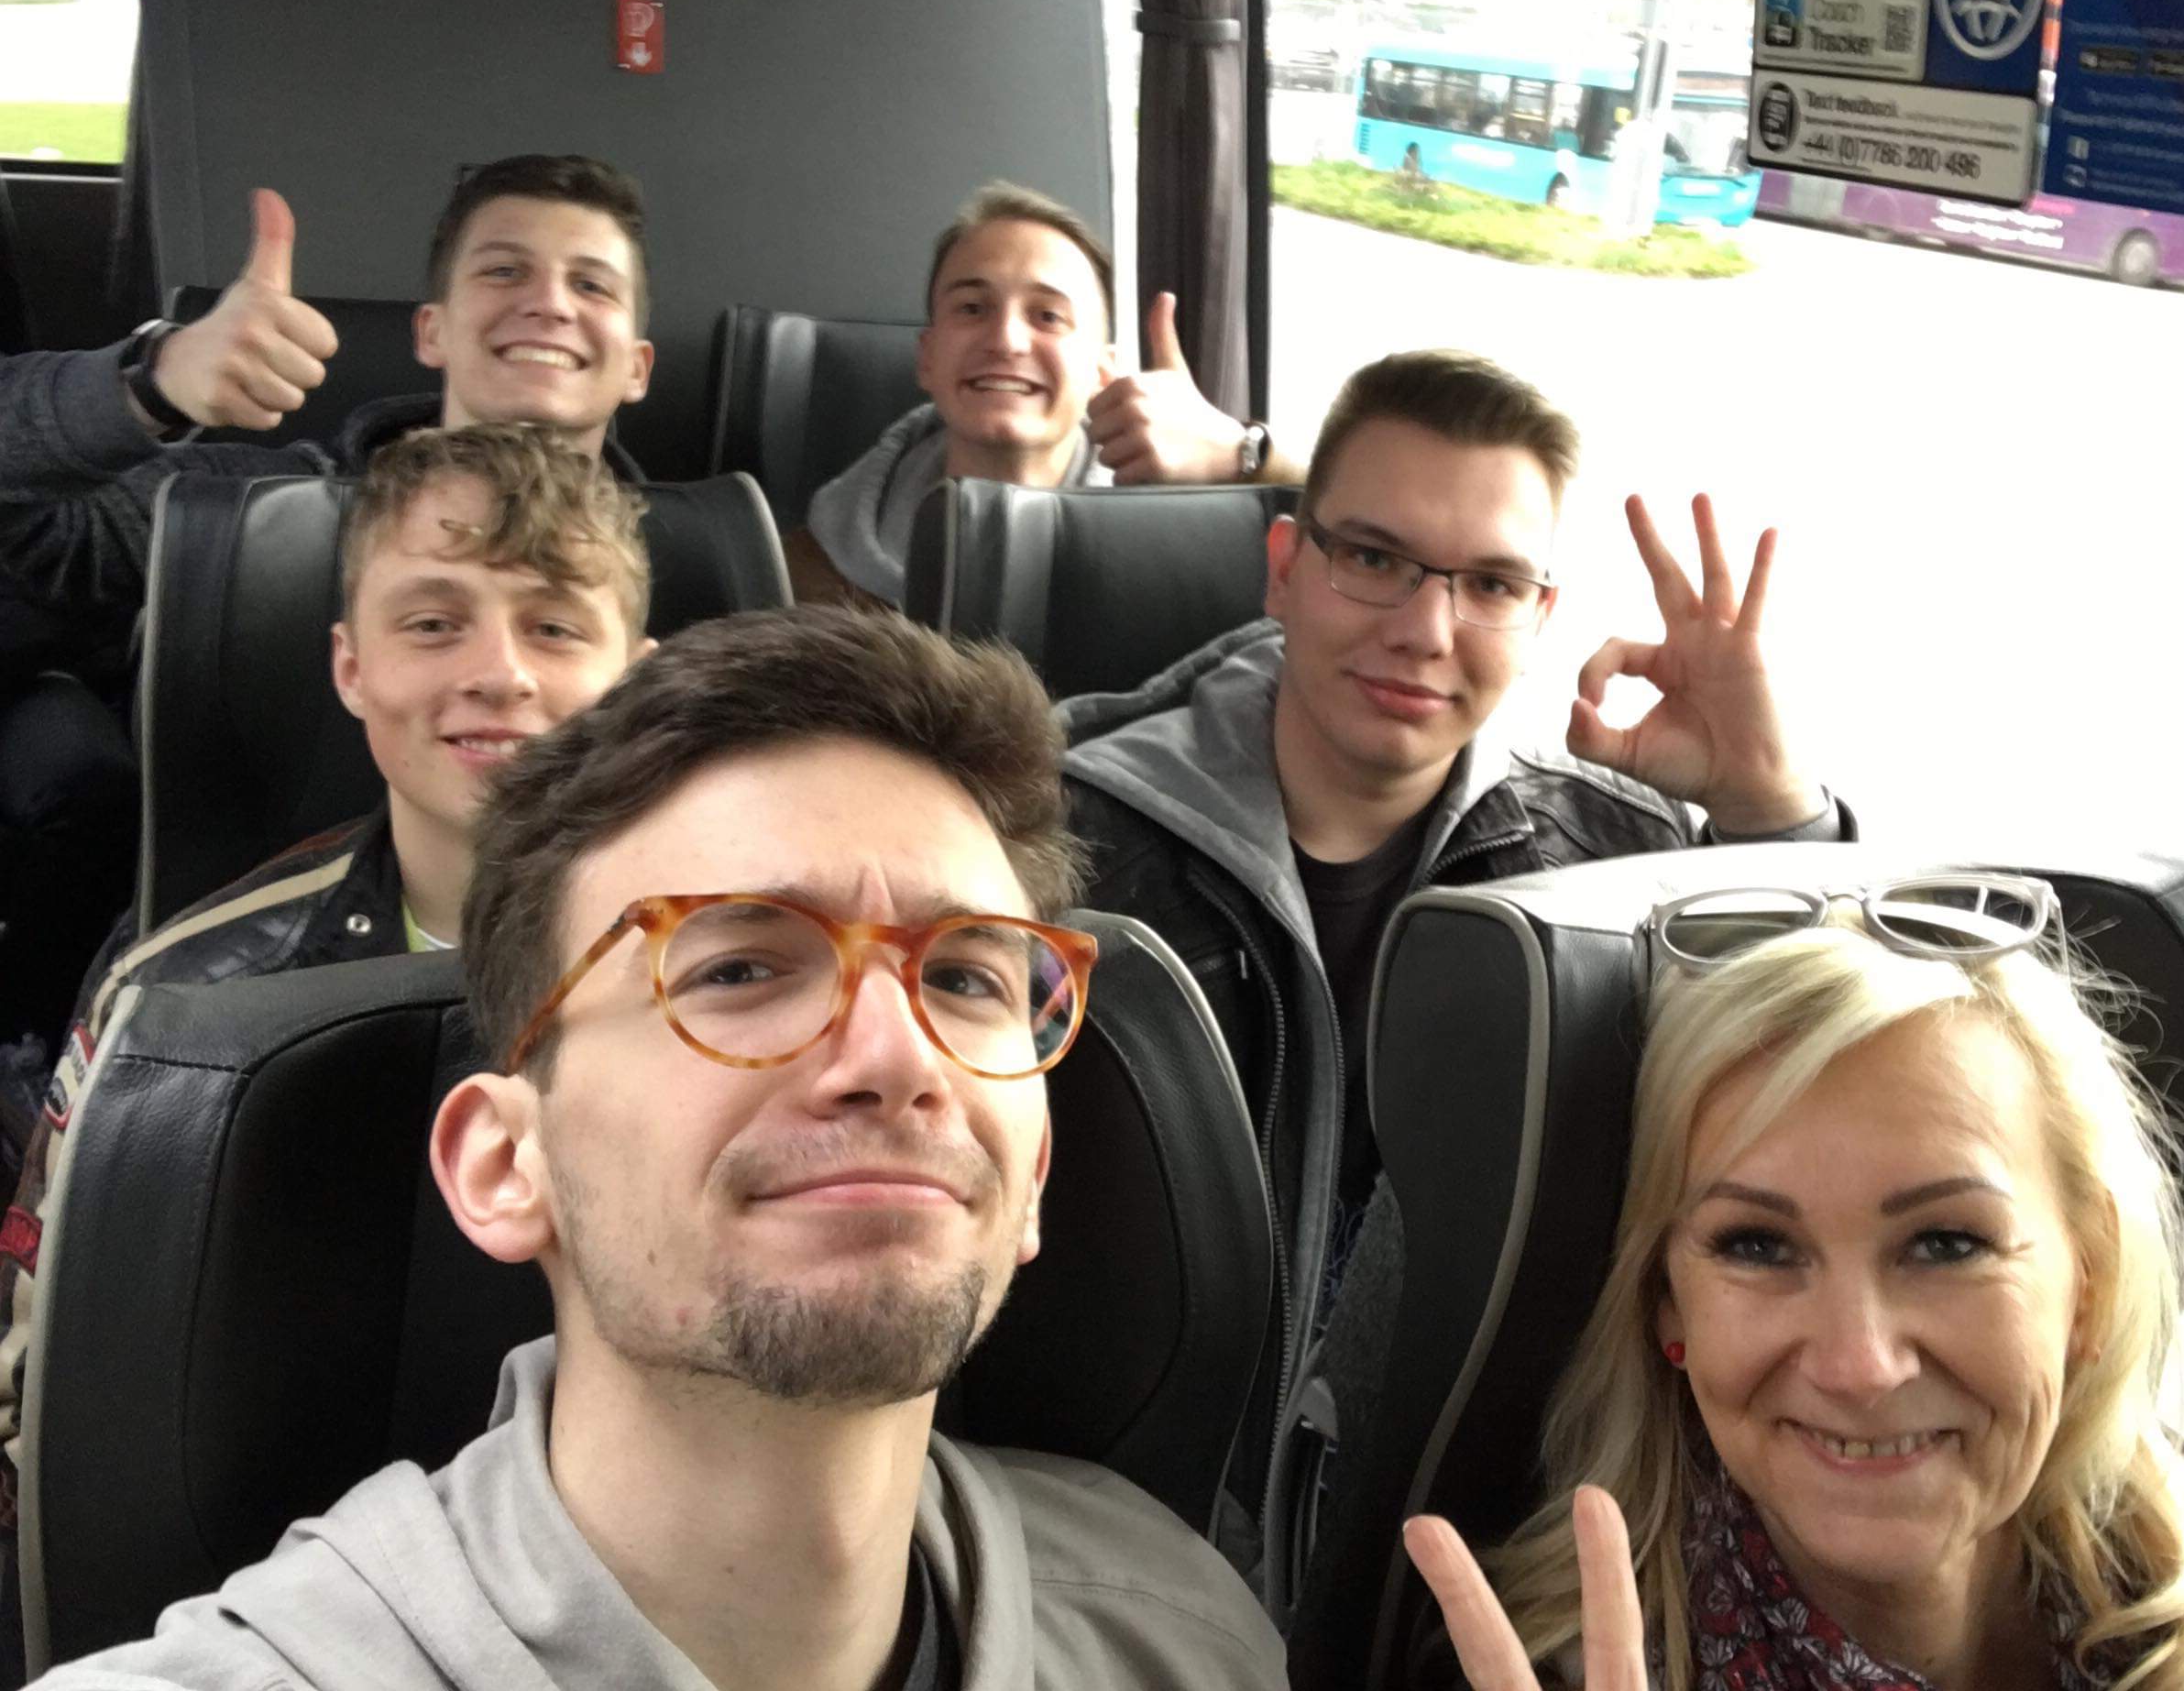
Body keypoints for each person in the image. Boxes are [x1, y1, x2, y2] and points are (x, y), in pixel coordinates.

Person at [28, 608, 1288, 1691]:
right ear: (504, 1166)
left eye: (964, 978)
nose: (899, 1056)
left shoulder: (1188, 1636)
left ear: (1035, 1176)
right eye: (738, 968)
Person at [1059, 349, 1851, 1541]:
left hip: (1479, 1522)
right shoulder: (1061, 839)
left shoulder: (1615, 869)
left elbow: (1828, 1105)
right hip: (1123, 1515)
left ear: (1538, 621)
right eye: (1374, 560)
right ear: (1285, 569)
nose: (1426, 630)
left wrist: (1771, 812)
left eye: (1488, 583)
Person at [0, 423, 652, 1595]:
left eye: (554, 627)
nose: (499, 672)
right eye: (433, 623)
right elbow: (41, 1390)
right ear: (350, 668)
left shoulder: (740, 983)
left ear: (637, 678)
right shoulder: (187, 998)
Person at [1405, 879, 2184, 1691]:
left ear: (2088, 1283)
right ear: (1668, 1306)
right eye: (1756, 1247)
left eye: (1944, 1244)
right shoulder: (1546, 1675)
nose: (1859, 1366)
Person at [0, 152, 657, 671]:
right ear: (431, 333)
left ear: (637, 366)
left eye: (591, 284)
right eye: (505, 271)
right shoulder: (253, 515)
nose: (551, 304)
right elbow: (38, 529)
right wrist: (149, 385)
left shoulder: (701, 559)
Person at [800, 181, 1303, 608]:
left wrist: (1244, 452)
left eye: (1047, 316)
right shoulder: (808, 570)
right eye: (972, 308)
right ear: (927, 358)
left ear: (1103, 372)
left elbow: (1342, 551)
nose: (1005, 341)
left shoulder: (1179, 547)